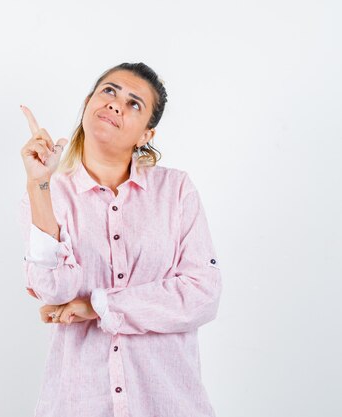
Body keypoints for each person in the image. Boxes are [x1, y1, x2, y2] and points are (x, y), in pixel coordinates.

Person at [18, 62, 222, 417]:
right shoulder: (49, 194)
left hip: (168, 403)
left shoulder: (176, 191)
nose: (115, 104)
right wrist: (39, 183)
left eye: (134, 104)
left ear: (146, 135)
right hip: (80, 403)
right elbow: (54, 290)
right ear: (88, 103)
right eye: (109, 91)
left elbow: (202, 294)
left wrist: (99, 306)